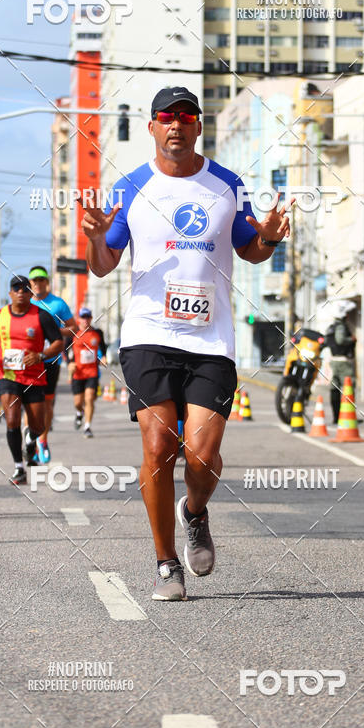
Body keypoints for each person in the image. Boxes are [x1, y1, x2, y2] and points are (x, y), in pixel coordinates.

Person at [82, 86, 293, 601]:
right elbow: (103, 265)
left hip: (211, 338)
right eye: (166, 116)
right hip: (148, 334)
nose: (175, 124)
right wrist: (95, 238)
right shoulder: (131, 187)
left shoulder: (227, 185)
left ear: (198, 126)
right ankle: (165, 563)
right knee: (159, 448)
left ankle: (194, 512)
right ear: (152, 126)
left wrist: (268, 237)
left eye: (185, 116)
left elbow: (250, 250)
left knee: (201, 456)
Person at [0, 275, 63, 485]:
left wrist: (41, 355)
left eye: (25, 289)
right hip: (9, 376)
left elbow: (58, 342)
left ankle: (31, 440)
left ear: (31, 294)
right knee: (12, 420)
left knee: (38, 426)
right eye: (17, 289)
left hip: (34, 378)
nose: (21, 292)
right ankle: (19, 468)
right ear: (10, 293)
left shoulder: (42, 316)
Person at [28, 266, 77, 463]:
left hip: (51, 360)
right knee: (30, 404)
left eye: (41, 280)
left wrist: (54, 332)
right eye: (34, 281)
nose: (38, 284)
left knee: (47, 403)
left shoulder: (58, 303)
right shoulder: (26, 304)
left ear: (47, 282)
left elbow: (73, 328)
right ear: (30, 284)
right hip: (30, 361)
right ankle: (31, 441)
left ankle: (42, 440)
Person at [69, 307, 107, 437]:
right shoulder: (73, 333)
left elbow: (103, 347)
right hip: (78, 373)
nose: (85, 320)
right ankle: (79, 412)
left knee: (89, 398)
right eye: (83, 317)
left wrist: (104, 357)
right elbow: (65, 350)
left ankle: (87, 427)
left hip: (92, 372)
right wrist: (70, 363)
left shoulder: (97, 333)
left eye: (87, 317)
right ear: (79, 319)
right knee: (78, 403)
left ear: (91, 318)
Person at [325, 301, 357, 424]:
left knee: (334, 389)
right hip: (344, 362)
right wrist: (351, 339)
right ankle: (348, 416)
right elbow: (340, 340)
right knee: (348, 388)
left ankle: (336, 417)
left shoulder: (331, 327)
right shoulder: (341, 327)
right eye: (347, 313)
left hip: (334, 361)